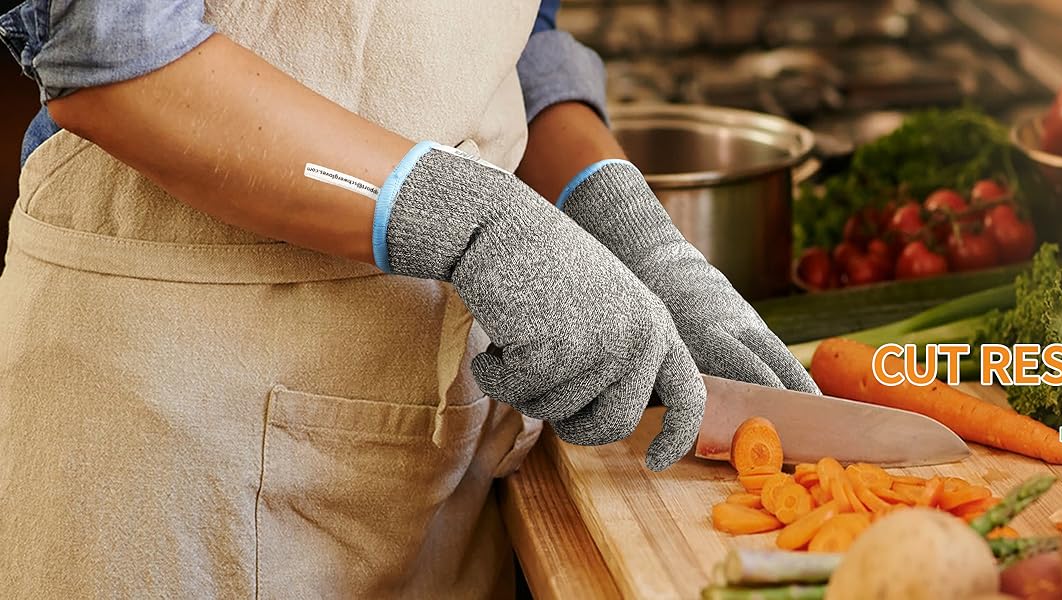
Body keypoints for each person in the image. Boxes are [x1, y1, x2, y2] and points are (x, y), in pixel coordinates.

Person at [0, 0, 817, 596]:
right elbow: (108, 50)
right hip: (182, 438)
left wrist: (625, 222)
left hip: (444, 459)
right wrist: (470, 224)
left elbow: (511, 37)